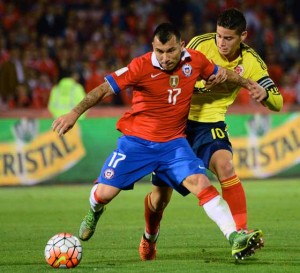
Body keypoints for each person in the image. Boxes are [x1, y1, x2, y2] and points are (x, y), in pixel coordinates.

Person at [52, 22, 263, 260]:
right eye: (159, 51)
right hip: (136, 143)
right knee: (105, 193)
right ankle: (94, 210)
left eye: (170, 51)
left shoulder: (195, 60)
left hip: (174, 145)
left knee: (198, 183)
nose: (164, 58)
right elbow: (102, 89)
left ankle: (234, 237)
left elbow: (222, 73)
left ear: (181, 46)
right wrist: (73, 114)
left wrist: (249, 84)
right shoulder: (139, 66)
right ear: (153, 47)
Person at [139, 8, 282, 261]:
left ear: (243, 36)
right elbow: (170, 75)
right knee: (160, 199)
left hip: (210, 123)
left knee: (225, 166)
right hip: (177, 123)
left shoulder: (251, 62)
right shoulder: (200, 45)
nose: (222, 43)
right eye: (219, 36)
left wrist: (266, 96)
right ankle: (149, 235)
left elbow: (277, 101)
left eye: (228, 38)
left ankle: (241, 235)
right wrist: (200, 82)